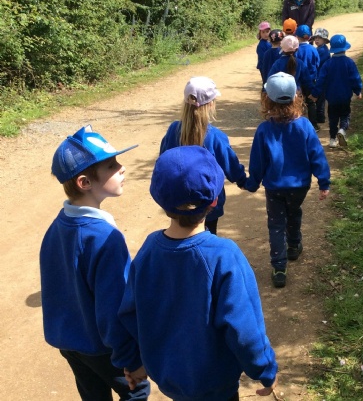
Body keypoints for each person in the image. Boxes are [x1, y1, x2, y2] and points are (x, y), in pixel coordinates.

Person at [118, 146, 279, 400]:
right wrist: (266, 369)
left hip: (171, 382)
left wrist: (136, 361)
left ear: (159, 199)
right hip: (217, 388)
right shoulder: (224, 255)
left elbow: (129, 312)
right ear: (214, 200)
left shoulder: (149, 249)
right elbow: (245, 330)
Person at [40, 125, 150, 401]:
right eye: (111, 165)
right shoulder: (105, 238)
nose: (122, 168)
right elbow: (114, 307)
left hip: (69, 342)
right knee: (136, 391)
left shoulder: (58, 226)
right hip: (102, 347)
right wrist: (130, 358)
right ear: (85, 182)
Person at [244, 73, 330, 288]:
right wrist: (323, 181)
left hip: (275, 187)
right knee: (293, 212)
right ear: (296, 97)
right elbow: (317, 155)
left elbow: (258, 161)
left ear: (267, 99)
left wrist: (253, 182)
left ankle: (279, 267)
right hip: (299, 186)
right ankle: (293, 245)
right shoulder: (305, 126)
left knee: (276, 223)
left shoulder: (264, 130)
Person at [159, 76, 247, 235]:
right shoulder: (214, 136)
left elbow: (164, 158)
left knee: (181, 232)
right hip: (208, 201)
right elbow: (229, 164)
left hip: (177, 198)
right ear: (211, 104)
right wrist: (242, 180)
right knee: (208, 235)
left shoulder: (173, 130)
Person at [310, 34, 363, 148]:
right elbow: (355, 78)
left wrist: (315, 94)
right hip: (345, 96)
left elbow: (320, 80)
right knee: (345, 115)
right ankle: (342, 130)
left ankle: (332, 139)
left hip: (331, 97)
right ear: (345, 48)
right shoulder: (349, 62)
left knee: (333, 118)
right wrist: (358, 91)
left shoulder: (327, 64)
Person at [267, 35, 314, 100]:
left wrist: (266, 91)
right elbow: (307, 80)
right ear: (297, 49)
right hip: (296, 93)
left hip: (280, 94)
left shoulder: (278, 63)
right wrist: (313, 93)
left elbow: (270, 78)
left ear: (281, 48)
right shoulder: (300, 63)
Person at [295, 24, 320, 131]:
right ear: (309, 37)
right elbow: (317, 63)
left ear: (297, 37)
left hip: (299, 81)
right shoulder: (313, 49)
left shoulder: (296, 50)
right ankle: (314, 125)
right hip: (311, 79)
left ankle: (298, 125)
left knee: (298, 103)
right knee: (311, 102)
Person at [311, 27, 330, 124]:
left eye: (319, 38)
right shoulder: (319, 49)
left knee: (320, 99)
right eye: (315, 38)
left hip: (322, 78)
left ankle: (320, 117)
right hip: (320, 77)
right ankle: (320, 116)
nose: (317, 40)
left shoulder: (323, 51)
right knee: (320, 99)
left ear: (325, 40)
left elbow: (316, 63)